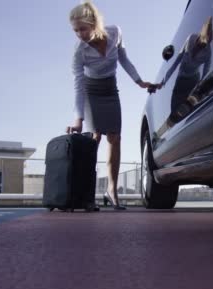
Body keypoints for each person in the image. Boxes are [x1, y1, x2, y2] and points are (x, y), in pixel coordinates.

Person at [65, 1, 156, 210]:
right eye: (75, 30)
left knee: (115, 138)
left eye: (82, 28)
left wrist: (139, 81)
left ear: (94, 23)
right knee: (94, 138)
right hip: (90, 91)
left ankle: (111, 190)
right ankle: (86, 194)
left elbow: (123, 58)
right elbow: (78, 86)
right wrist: (78, 118)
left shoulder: (115, 32)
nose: (79, 34)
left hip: (110, 90)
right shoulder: (79, 52)